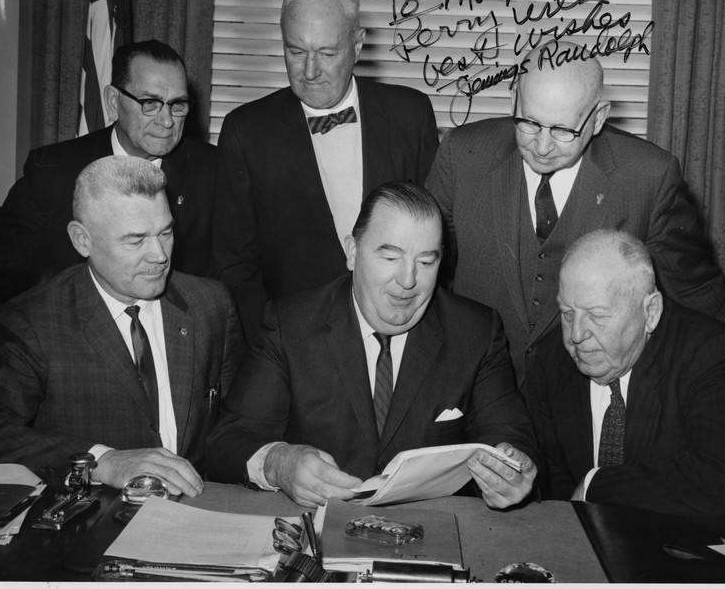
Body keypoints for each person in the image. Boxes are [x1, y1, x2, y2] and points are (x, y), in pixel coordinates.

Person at [425, 41, 725, 389]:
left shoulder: (648, 177)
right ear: (513, 101)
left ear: (598, 118)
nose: (542, 146)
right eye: (530, 123)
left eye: (563, 130)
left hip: (585, 400)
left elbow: (699, 290)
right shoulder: (462, 154)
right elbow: (423, 269)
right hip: (477, 387)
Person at [206, 181, 538, 510]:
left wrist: (513, 475)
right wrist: (280, 463)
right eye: (391, 256)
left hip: (433, 539)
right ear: (352, 252)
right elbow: (226, 443)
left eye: (426, 262)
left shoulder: (476, 331)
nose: (408, 281)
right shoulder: (290, 323)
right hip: (316, 534)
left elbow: (513, 440)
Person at [0, 156, 241, 496]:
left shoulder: (210, 304)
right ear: (82, 240)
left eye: (165, 232)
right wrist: (101, 462)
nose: (159, 255)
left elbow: (237, 423)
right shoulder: (32, 321)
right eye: (135, 240)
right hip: (88, 526)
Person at [212, 0, 439, 338]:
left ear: (358, 45)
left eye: (327, 53)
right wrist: (273, 346)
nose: (310, 71)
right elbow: (234, 264)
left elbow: (440, 240)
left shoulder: (410, 115)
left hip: (402, 335)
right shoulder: (246, 131)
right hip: (295, 341)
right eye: (296, 51)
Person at [0, 39, 219, 329]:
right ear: (112, 102)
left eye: (177, 105)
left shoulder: (213, 170)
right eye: (150, 103)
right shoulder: (54, 171)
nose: (167, 121)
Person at [527, 229, 725, 527]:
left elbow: (714, 484)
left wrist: (596, 485)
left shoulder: (710, 353)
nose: (577, 335)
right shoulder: (549, 360)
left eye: (597, 315)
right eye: (567, 313)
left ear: (650, 312)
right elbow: (553, 484)